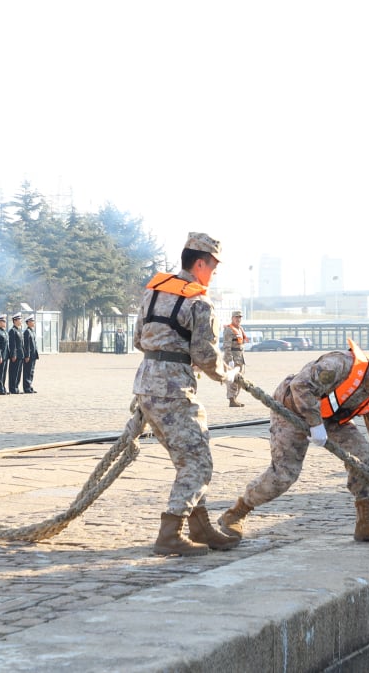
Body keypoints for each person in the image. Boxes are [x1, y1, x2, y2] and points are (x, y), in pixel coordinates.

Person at [217, 335, 369, 545]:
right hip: (292, 408)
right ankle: (235, 514)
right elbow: (300, 386)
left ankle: (366, 523)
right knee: (284, 475)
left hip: (329, 418)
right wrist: (315, 424)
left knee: (362, 456)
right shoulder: (339, 364)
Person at [132, 232, 240, 556]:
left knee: (187, 459)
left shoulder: (153, 292)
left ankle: (200, 527)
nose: (214, 274)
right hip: (174, 391)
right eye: (213, 267)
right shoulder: (199, 302)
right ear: (200, 264)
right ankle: (170, 534)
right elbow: (205, 355)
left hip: (146, 385)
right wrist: (227, 375)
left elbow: (138, 339)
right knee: (198, 463)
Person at [221, 309, 248, 408]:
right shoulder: (229, 329)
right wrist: (230, 360)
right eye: (236, 317)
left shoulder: (240, 329)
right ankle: (231, 400)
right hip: (232, 358)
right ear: (232, 318)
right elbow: (226, 346)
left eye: (239, 317)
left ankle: (235, 398)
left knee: (240, 380)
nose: (238, 319)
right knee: (232, 380)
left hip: (240, 358)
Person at [22, 315, 40, 393]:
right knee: (27, 371)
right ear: (28, 322)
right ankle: (26, 388)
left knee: (31, 371)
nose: (34, 322)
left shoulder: (32, 331)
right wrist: (27, 355)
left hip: (33, 355)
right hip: (29, 356)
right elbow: (27, 345)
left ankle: (29, 386)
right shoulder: (27, 332)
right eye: (32, 321)